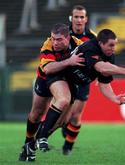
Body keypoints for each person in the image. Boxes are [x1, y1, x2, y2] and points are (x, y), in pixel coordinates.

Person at [36, 29, 125, 157]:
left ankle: (35, 140)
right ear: (100, 43)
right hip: (59, 75)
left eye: (115, 44)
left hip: (74, 83)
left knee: (62, 121)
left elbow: (104, 83)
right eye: (111, 45)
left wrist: (114, 98)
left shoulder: (110, 56)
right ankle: (41, 138)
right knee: (63, 100)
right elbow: (100, 67)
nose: (114, 48)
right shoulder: (90, 47)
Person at [18, 23, 85, 162]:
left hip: (66, 80)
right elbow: (48, 69)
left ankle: (31, 146)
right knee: (36, 114)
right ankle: (28, 142)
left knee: (63, 121)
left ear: (68, 38)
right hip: (45, 79)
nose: (54, 42)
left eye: (59, 39)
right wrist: (70, 61)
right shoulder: (47, 45)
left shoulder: (79, 44)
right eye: (53, 38)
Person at [36, 5, 97, 153]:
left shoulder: (92, 37)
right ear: (71, 18)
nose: (79, 20)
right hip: (63, 76)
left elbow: (97, 59)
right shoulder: (63, 33)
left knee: (74, 117)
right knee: (61, 105)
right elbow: (50, 57)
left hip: (81, 79)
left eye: (82, 17)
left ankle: (67, 148)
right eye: (76, 17)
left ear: (86, 19)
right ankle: (41, 137)